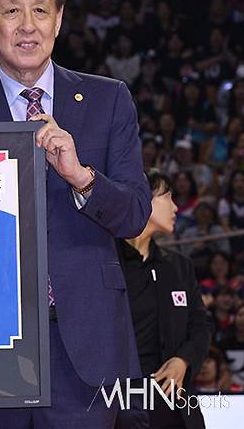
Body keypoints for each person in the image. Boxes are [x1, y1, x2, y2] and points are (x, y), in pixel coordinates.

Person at [0, 0, 151, 428]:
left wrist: (82, 177)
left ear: (60, 19)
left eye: (40, 9)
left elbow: (134, 213)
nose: (27, 25)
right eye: (11, 10)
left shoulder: (108, 100)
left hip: (86, 350)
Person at [115, 169, 210, 429]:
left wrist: (184, 360)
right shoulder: (108, 263)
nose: (176, 207)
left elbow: (200, 326)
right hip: (120, 405)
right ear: (143, 200)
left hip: (176, 405)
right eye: (168, 197)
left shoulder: (180, 266)